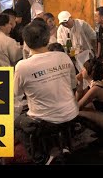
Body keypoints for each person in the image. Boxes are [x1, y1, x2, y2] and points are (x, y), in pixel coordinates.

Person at [14, 21, 78, 164]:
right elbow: (73, 85)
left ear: (26, 42)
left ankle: (41, 158)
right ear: (48, 38)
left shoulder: (22, 66)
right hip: (71, 114)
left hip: (45, 121)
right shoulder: (63, 56)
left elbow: (16, 94)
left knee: (17, 123)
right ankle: (64, 146)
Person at [76, 58, 103, 143]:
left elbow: (77, 106)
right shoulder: (100, 81)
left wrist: (79, 82)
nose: (81, 70)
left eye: (84, 68)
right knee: (87, 107)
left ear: (91, 72)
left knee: (77, 114)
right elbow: (81, 96)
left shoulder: (96, 88)